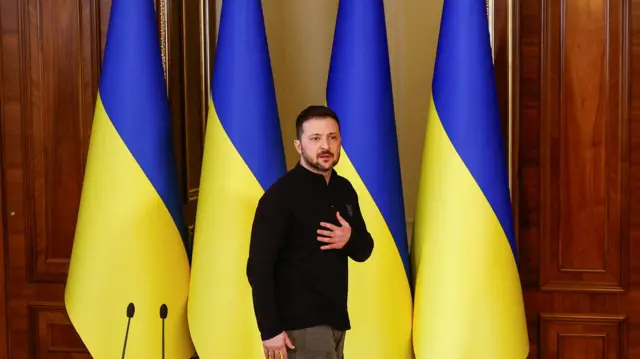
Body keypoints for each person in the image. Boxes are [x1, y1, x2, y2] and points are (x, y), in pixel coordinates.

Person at [246, 105, 374, 359]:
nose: (325, 146)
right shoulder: (280, 196)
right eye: (315, 139)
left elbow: (364, 249)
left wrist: (349, 239)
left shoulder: (345, 189)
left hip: (337, 320)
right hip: (300, 327)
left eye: (332, 138)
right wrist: (269, 330)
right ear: (299, 145)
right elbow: (259, 268)